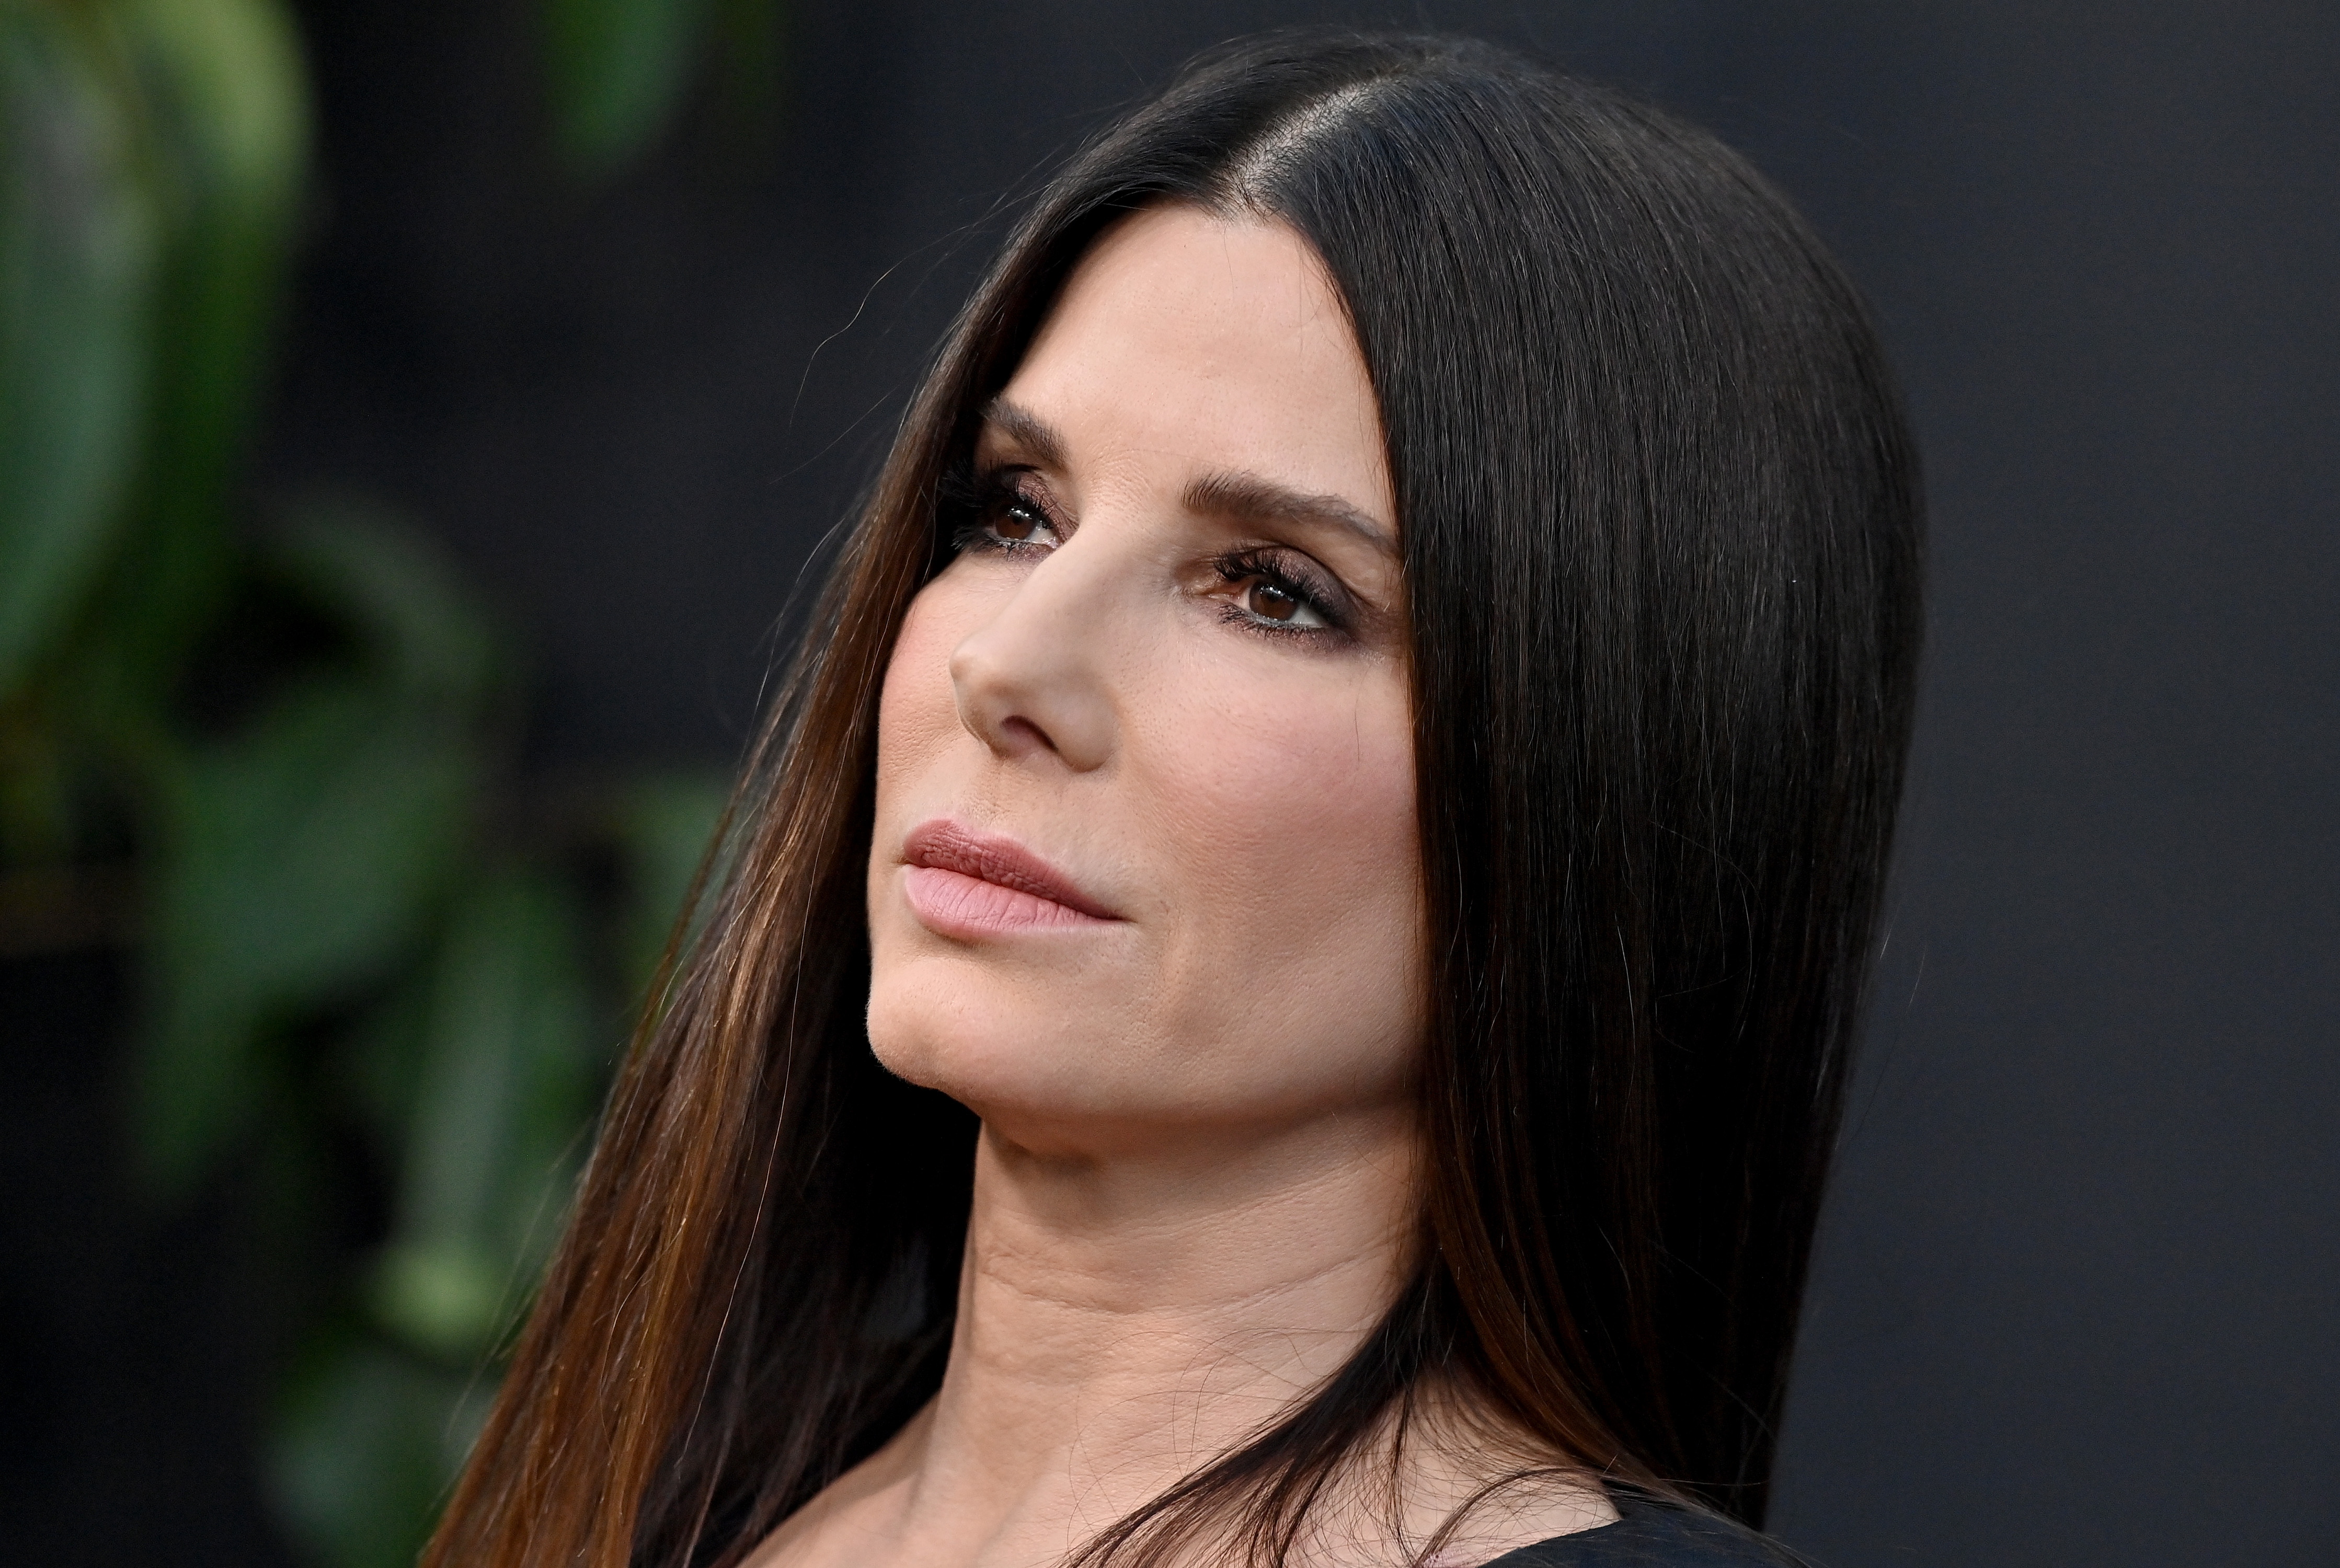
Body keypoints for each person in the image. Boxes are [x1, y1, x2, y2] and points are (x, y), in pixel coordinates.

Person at [425, 30, 1922, 1568]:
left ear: (1593, 783)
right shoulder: (655, 1503)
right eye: (1010, 513)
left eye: (1271, 593)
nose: (1009, 663)